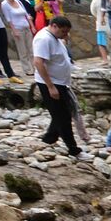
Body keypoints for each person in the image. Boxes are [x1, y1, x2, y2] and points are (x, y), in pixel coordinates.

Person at [34, 15, 78, 155]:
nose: (65, 35)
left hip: (61, 82)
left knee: (61, 113)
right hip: (52, 83)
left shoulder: (55, 37)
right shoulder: (44, 39)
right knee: (63, 117)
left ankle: (49, 139)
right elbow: (38, 62)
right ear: (54, 26)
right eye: (63, 32)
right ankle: (73, 149)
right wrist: (50, 86)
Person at [0, 0, 34, 76]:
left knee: (31, 49)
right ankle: (27, 69)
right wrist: (14, 30)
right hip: (18, 29)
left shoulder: (18, 2)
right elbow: (8, 18)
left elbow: (26, 15)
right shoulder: (4, 4)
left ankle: (35, 67)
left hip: (26, 27)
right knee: (22, 50)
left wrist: (32, 26)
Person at [89, 0, 109, 64]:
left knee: (101, 43)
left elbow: (93, 11)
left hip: (101, 23)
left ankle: (105, 59)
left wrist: (98, 16)